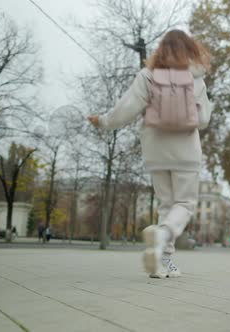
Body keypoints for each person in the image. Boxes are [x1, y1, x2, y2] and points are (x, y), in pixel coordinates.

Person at [88, 30, 212, 278]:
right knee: (185, 204)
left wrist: (102, 121)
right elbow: (203, 120)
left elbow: (126, 109)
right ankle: (163, 234)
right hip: (186, 150)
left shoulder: (147, 76)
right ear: (190, 50)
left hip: (155, 149)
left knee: (167, 204)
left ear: (161, 50)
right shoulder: (196, 78)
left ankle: (161, 261)